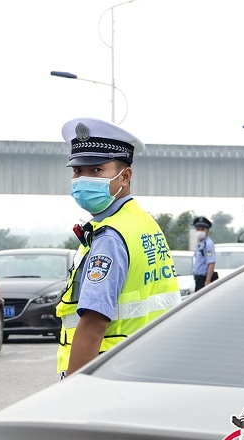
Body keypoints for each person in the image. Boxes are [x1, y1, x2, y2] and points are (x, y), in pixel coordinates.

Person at [56, 117, 181, 380]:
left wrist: (72, 392)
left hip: (107, 372)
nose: (83, 179)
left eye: (97, 170)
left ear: (125, 176)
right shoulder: (143, 222)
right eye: (78, 171)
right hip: (146, 366)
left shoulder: (109, 236)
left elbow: (93, 322)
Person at [192, 216, 216, 291]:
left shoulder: (207, 244)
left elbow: (211, 263)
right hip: (198, 279)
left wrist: (207, 281)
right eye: (198, 229)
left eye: (202, 229)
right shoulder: (200, 243)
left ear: (207, 231)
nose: (200, 231)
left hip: (204, 279)